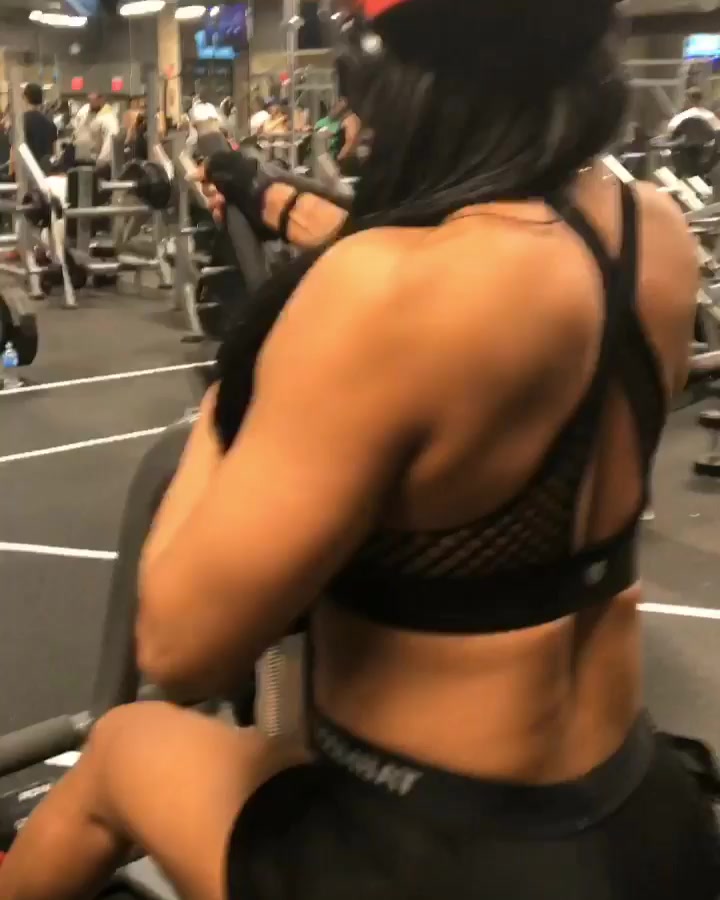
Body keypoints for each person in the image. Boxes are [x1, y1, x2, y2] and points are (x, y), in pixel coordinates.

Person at [0, 3, 716, 900]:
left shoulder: (379, 295)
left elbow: (182, 651)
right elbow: (470, 257)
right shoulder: (654, 234)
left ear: (393, 75)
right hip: (640, 818)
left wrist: (239, 384)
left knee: (122, 747)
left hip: (429, 862)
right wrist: (267, 195)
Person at [72, 92, 120, 172]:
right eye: (89, 98)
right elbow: (78, 128)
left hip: (95, 162)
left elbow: (109, 142)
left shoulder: (109, 119)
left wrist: (101, 162)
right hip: (78, 158)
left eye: (93, 98)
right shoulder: (85, 110)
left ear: (102, 99)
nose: (89, 99)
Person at [18, 83, 57, 172]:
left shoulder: (20, 122)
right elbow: (53, 155)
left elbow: (14, 154)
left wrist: (11, 175)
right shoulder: (50, 124)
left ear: (25, 98)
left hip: (26, 173)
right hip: (45, 173)